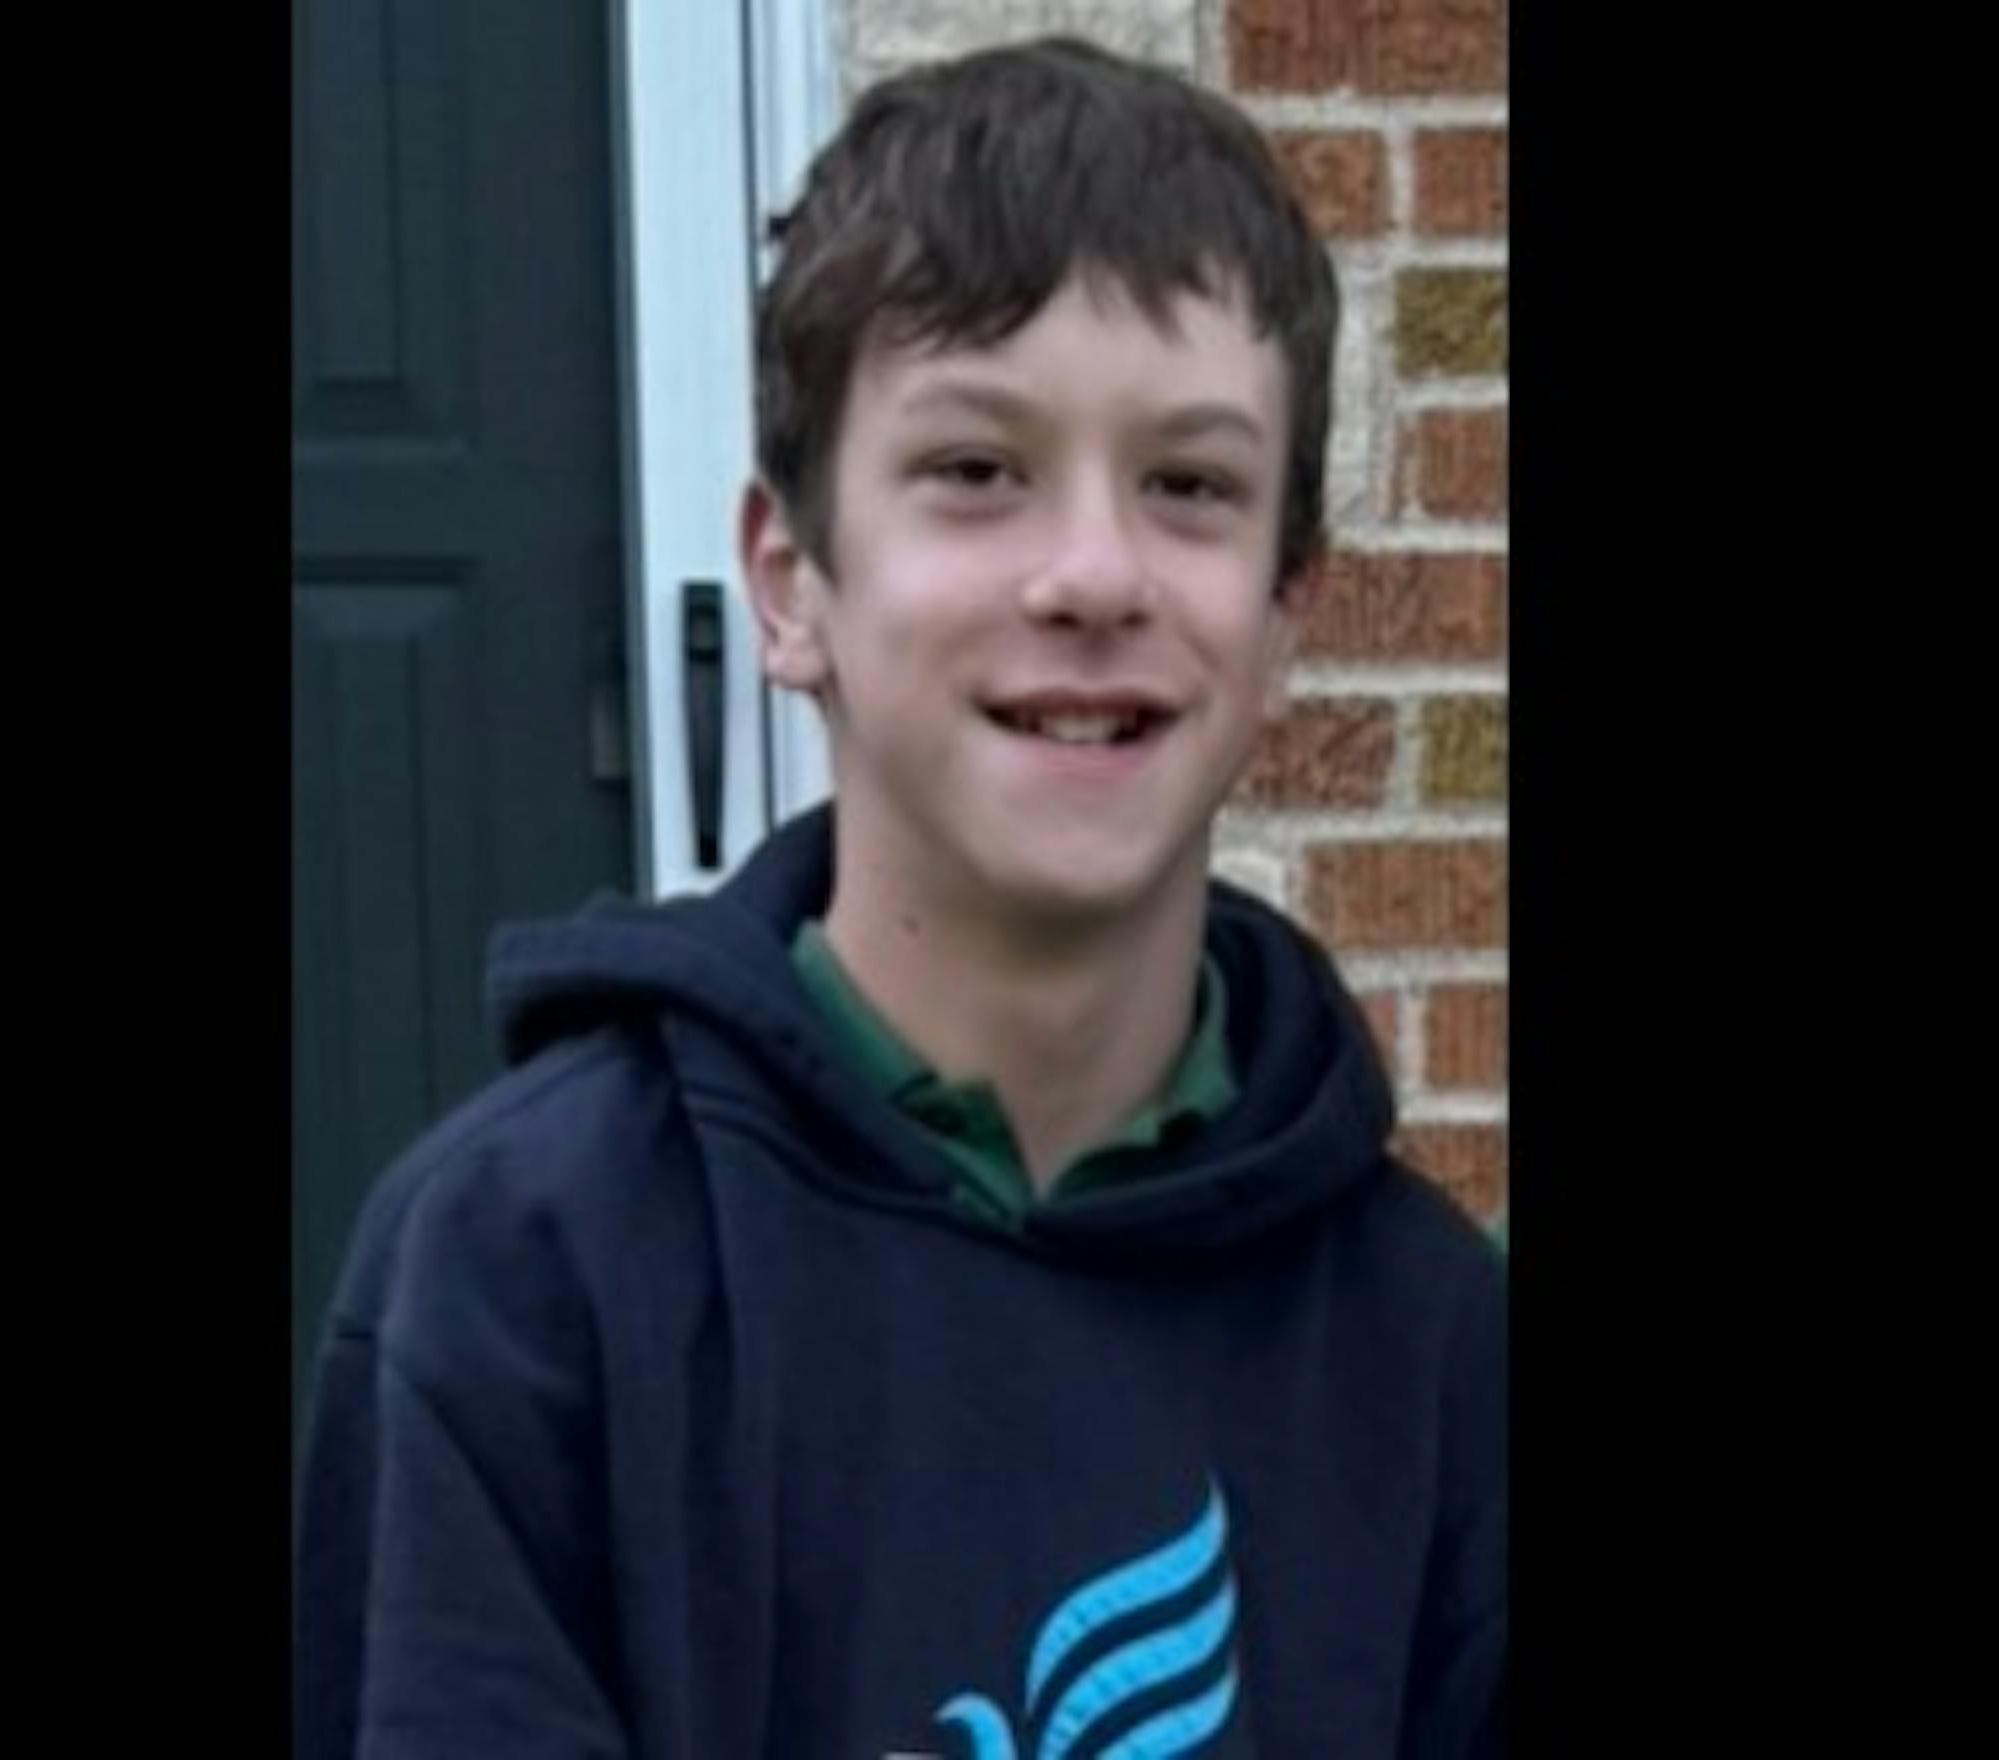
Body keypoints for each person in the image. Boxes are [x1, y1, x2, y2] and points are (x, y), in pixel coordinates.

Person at [293, 35, 1505, 1760]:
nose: (1092, 572)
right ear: (792, 586)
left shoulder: (1430, 1345)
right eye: (976, 470)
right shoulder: (521, 1274)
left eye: (1190, 485)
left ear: (1285, 619)